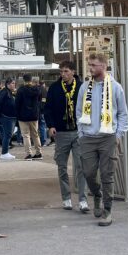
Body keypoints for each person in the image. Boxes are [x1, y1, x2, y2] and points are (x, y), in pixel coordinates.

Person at [77, 52, 128, 227]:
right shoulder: (84, 87)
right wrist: (81, 134)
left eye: (93, 65)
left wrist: (118, 134)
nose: (90, 68)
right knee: (89, 173)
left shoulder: (116, 87)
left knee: (107, 175)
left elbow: (123, 114)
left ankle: (107, 211)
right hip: (88, 138)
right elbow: (78, 112)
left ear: (103, 66)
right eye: (89, 65)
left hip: (108, 137)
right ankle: (97, 195)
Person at [45, 61, 88, 213]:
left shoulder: (82, 87)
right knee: (62, 166)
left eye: (66, 71)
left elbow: (87, 107)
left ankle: (83, 199)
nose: (63, 74)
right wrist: (51, 125)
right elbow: (48, 108)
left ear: (73, 72)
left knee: (81, 166)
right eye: (61, 72)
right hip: (61, 132)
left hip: (78, 131)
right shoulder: (55, 88)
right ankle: (66, 198)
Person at [16, 74, 44, 160]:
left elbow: (17, 104)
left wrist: (17, 114)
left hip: (23, 116)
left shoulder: (20, 90)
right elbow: (39, 102)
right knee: (35, 135)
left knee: (26, 135)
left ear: (23, 80)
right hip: (34, 115)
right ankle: (39, 153)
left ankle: (29, 154)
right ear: (31, 80)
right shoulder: (37, 89)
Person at [0, 77, 18, 160]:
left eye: (14, 83)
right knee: (7, 135)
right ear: (7, 84)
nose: (14, 85)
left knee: (7, 135)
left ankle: (5, 152)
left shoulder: (9, 92)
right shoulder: (4, 92)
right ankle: (4, 153)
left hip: (10, 117)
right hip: (7, 117)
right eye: (12, 83)